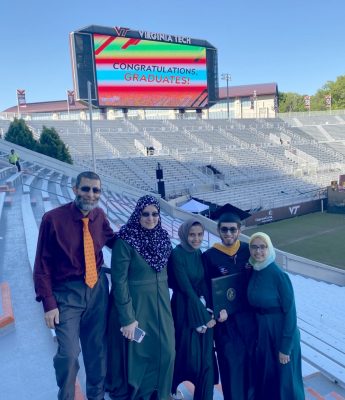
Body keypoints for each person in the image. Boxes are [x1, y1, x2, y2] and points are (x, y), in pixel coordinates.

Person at [33, 171, 116, 400]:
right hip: (67, 294)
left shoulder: (99, 215)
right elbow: (41, 265)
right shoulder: (53, 219)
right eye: (86, 188)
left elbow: (114, 242)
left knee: (97, 353)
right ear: (75, 189)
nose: (91, 194)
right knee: (68, 355)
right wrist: (49, 304)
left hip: (98, 291)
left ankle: (96, 397)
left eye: (96, 190)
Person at [106, 195, 175, 400]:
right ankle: (143, 394)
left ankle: (161, 392)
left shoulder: (163, 238)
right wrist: (128, 318)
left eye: (155, 214)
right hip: (136, 308)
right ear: (137, 214)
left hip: (162, 307)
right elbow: (119, 282)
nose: (150, 218)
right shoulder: (125, 241)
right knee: (140, 354)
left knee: (167, 351)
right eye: (145, 214)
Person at [203, 204, 256, 400]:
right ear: (218, 230)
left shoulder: (248, 251)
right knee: (231, 368)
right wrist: (216, 311)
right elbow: (206, 290)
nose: (228, 233)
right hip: (226, 325)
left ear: (239, 230)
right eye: (224, 229)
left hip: (249, 322)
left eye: (233, 229)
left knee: (251, 367)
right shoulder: (209, 257)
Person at [247, 232, 305, 400]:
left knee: (287, 382)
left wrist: (285, 347)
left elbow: (290, 312)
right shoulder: (255, 270)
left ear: (269, 248)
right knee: (270, 379)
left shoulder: (279, 275)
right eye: (254, 247)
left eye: (262, 247)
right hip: (264, 333)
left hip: (281, 333)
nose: (258, 251)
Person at [169, 218, 217, 400]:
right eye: (192, 235)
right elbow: (186, 288)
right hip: (183, 308)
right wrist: (204, 315)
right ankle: (171, 388)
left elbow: (203, 283)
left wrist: (211, 309)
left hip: (200, 305)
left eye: (199, 235)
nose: (196, 239)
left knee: (205, 356)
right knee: (183, 352)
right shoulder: (177, 254)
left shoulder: (200, 254)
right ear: (184, 235)